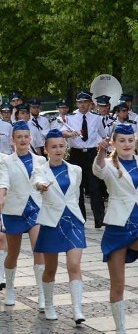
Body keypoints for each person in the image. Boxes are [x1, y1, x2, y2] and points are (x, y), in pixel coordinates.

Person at [94, 123, 138, 334]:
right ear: (114, 142)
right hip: (117, 225)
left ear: (136, 142)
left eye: (130, 140)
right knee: (118, 285)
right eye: (121, 140)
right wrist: (101, 152)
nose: (126, 144)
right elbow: (98, 170)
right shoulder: (111, 165)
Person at [32, 129, 87, 324]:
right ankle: (48, 304)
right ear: (46, 149)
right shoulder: (40, 169)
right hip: (51, 222)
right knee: (51, 269)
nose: (58, 150)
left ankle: (77, 309)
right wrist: (41, 186)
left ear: (66, 147)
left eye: (61, 146)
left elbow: (75, 195)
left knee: (74, 265)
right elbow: (36, 182)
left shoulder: (75, 170)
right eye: (53, 147)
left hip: (72, 221)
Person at [0, 121, 47, 309]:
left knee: (39, 249)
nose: (23, 140)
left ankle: (43, 293)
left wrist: (43, 185)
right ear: (12, 140)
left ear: (31, 138)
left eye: (26, 136)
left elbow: (42, 178)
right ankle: (10, 288)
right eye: (19, 137)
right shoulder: (5, 161)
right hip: (14, 210)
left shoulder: (40, 160)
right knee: (13, 253)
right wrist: (1, 197)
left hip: (35, 208)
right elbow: (3, 181)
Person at [63, 91, 107, 228]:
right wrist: (70, 133)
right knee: (78, 188)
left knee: (95, 187)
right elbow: (62, 132)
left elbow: (103, 134)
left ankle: (99, 218)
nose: (82, 105)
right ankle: (80, 218)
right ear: (77, 103)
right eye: (80, 102)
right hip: (76, 154)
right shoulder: (70, 118)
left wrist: (102, 145)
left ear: (90, 104)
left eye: (85, 102)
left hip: (91, 153)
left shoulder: (97, 118)